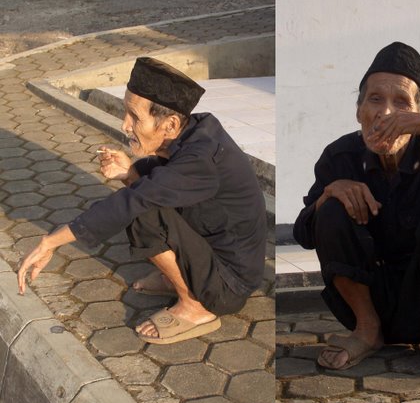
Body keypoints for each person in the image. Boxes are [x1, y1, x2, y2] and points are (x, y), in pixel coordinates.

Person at [18, 57, 267, 345]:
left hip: (228, 284)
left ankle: (195, 305)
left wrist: (51, 241)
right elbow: (161, 179)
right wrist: (130, 172)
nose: (125, 125)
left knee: (139, 212)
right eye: (126, 113)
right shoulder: (197, 131)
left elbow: (134, 201)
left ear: (171, 123)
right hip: (216, 254)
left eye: (134, 117)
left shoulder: (201, 159)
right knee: (144, 192)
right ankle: (176, 278)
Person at [293, 42, 420, 375]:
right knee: (331, 209)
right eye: (375, 99)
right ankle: (367, 332)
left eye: (401, 103)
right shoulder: (340, 157)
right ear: (359, 111)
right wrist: (330, 192)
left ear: (419, 115)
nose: (384, 113)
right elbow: (304, 233)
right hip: (370, 301)